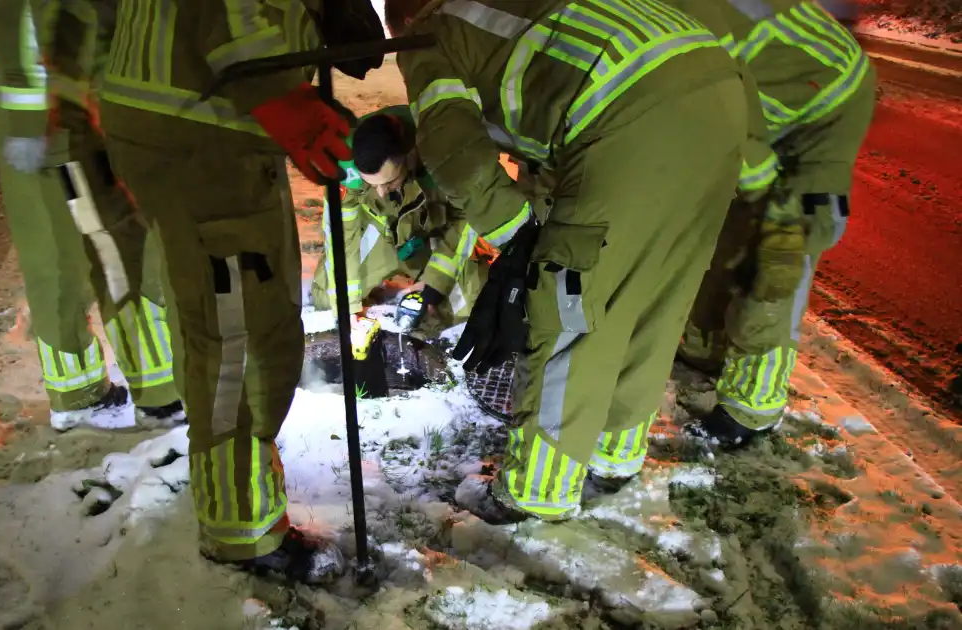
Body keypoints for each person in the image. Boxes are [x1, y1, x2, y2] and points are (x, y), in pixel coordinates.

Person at [385, 0, 751, 522]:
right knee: (655, 291)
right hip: (718, 91)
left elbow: (454, 147)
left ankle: (538, 489)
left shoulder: (431, 34)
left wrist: (517, 234)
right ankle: (613, 455)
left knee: (569, 307)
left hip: (631, 109)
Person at [95, 0, 384, 582]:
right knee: (237, 335)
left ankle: (239, 504)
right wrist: (288, 99)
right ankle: (241, 533)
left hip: (203, 115)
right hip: (203, 125)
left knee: (238, 316)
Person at [678, 0, 876, 448]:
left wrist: (753, 179)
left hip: (824, 102)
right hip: (764, 95)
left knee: (778, 254)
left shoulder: (687, 19)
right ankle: (705, 349)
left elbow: (717, 112)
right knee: (726, 225)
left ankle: (752, 409)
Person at [0, 0, 184, 431]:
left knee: (56, 252)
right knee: (116, 243)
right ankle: (160, 394)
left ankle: (78, 393)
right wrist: (29, 120)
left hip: (51, 101)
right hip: (56, 110)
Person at [310, 105, 494, 338]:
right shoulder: (344, 164)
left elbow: (466, 219)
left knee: (466, 303)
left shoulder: (449, 158)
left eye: (389, 182)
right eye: (372, 184)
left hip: (432, 231)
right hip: (379, 228)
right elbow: (340, 233)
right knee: (328, 297)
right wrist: (347, 304)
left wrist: (435, 281)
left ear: (410, 155)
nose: (380, 192)